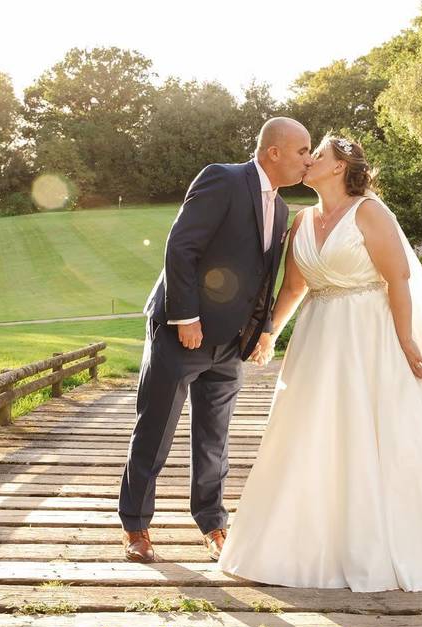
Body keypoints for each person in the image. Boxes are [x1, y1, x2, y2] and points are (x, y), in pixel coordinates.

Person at [217, 134, 422, 592]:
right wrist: (269, 334)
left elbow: (399, 277)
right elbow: (292, 289)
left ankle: (389, 539)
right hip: (317, 339)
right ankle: (305, 543)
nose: (307, 160)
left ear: (340, 167)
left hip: (369, 335)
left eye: (316, 155)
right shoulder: (302, 221)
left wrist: (405, 338)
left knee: (379, 427)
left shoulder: (369, 211)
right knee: (311, 430)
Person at [118, 117, 312, 562]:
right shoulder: (221, 178)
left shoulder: (281, 209)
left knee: (214, 437)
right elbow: (180, 247)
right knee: (156, 429)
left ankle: (212, 522)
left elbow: (264, 278)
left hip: (230, 343)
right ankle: (136, 526)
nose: (309, 158)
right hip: (180, 331)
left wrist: (262, 328)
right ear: (274, 151)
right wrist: (185, 316)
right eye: (302, 150)